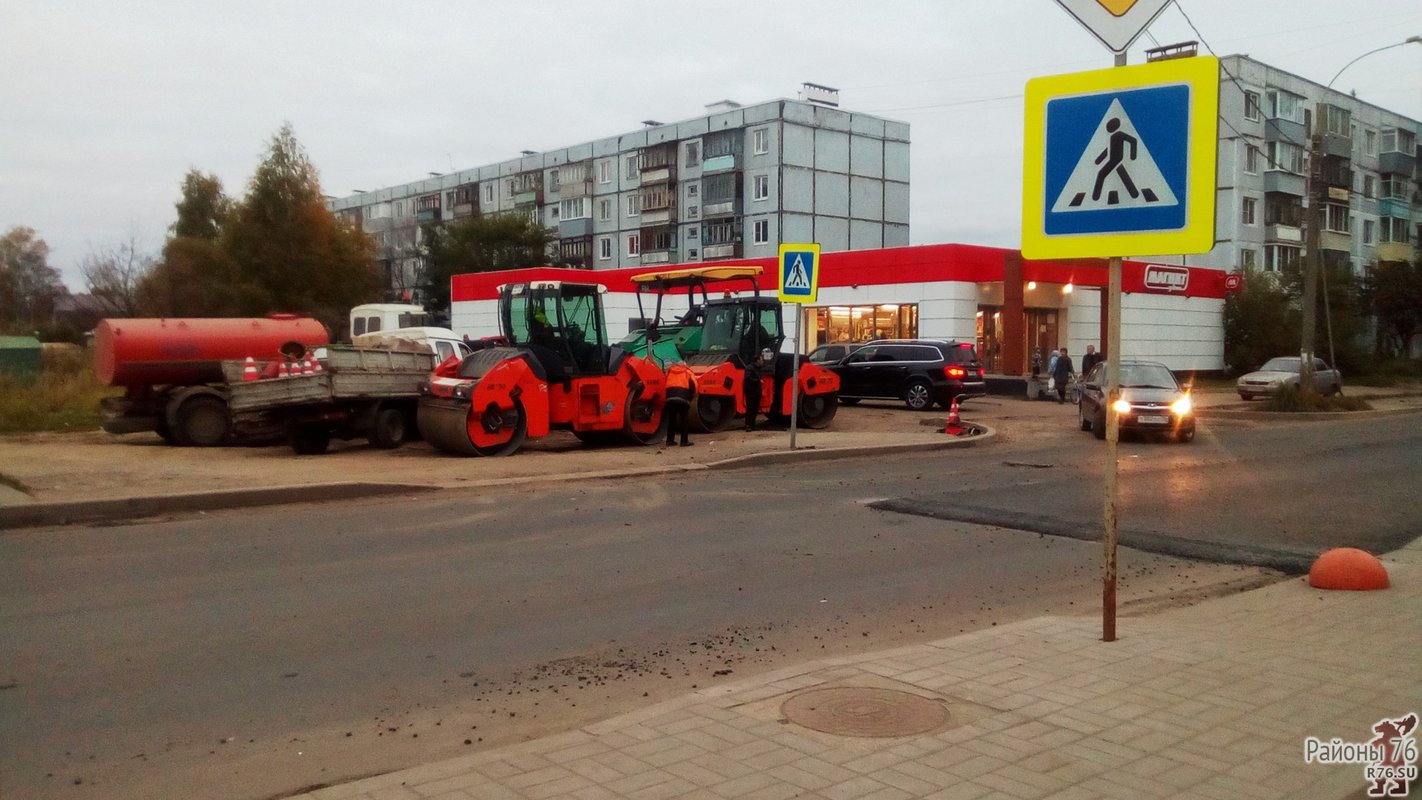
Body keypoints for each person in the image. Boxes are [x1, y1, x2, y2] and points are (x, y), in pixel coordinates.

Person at [664, 361, 696, 447]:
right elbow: (693, 386)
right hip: (682, 399)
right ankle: (684, 441)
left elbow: (665, 383)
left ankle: (669, 440)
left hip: (670, 398)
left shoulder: (670, 372)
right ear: (685, 366)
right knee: (684, 421)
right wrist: (690, 399)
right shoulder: (687, 372)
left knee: (672, 420)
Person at [743, 349, 768, 431]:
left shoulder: (758, 368)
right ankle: (748, 425)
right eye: (761, 360)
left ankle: (753, 425)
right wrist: (758, 380)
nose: (763, 361)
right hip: (751, 392)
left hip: (757, 392)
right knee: (750, 409)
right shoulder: (749, 368)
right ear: (757, 360)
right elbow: (747, 378)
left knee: (755, 409)